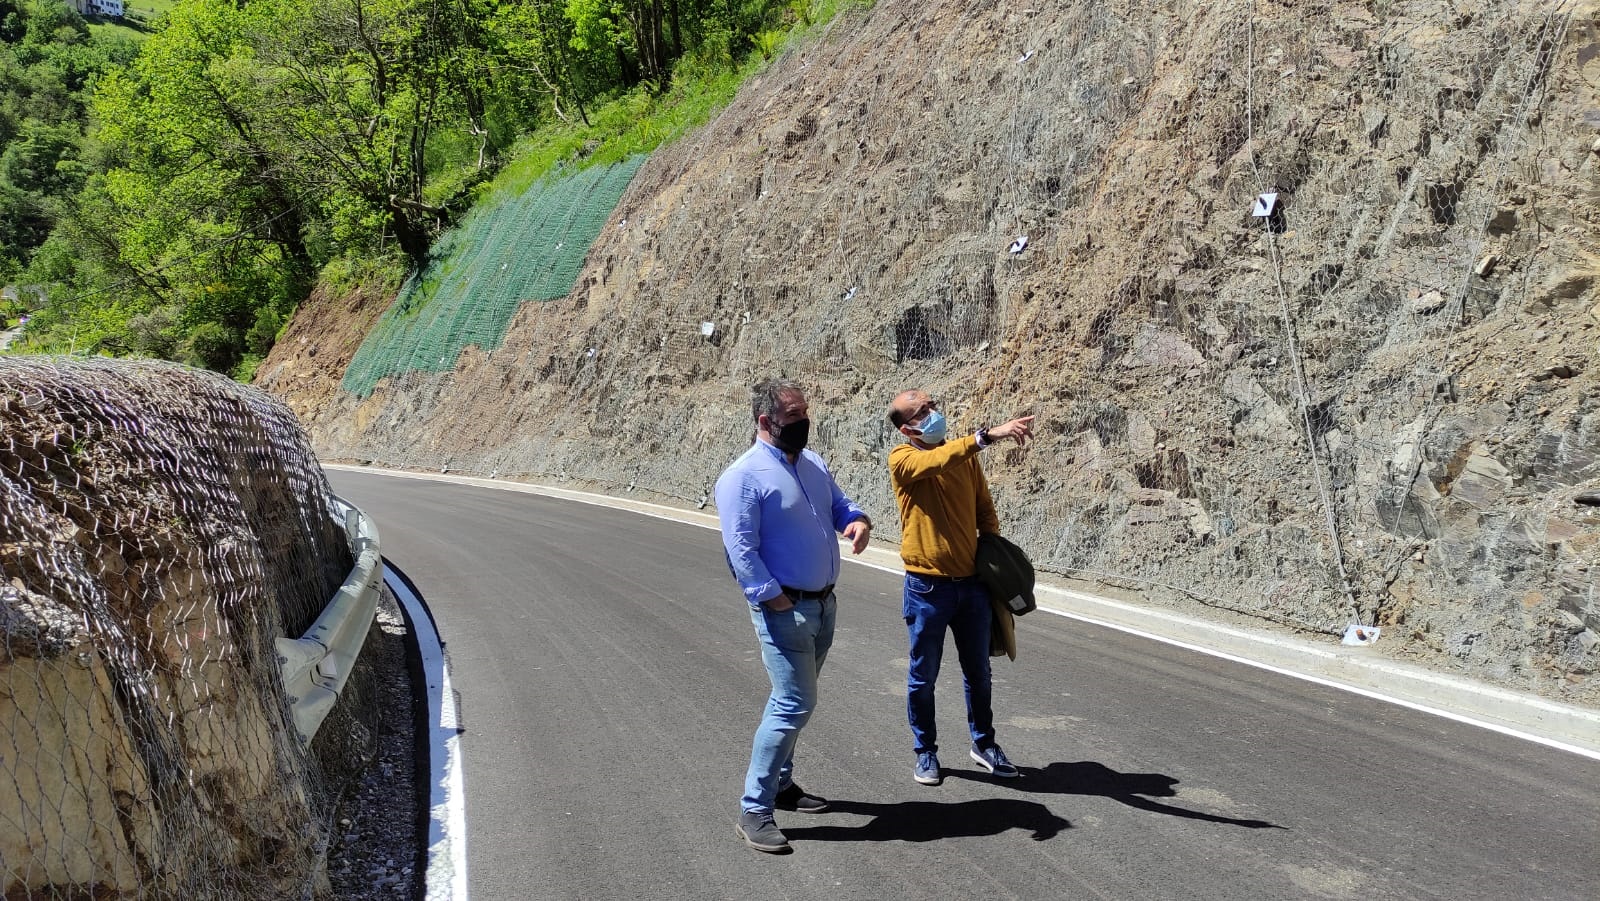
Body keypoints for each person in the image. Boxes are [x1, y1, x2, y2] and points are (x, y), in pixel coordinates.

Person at [716, 378, 873, 854]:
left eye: (806, 413)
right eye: (794, 416)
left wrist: (856, 520)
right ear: (766, 422)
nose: (805, 423)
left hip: (823, 603)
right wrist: (775, 600)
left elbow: (839, 505)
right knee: (792, 704)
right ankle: (754, 808)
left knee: (799, 701)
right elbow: (741, 551)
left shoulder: (812, 464)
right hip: (786, 609)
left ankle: (782, 786)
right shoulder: (742, 477)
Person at [886, 389, 1034, 786]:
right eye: (923, 411)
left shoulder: (963, 458)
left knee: (979, 672)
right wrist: (986, 437)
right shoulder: (903, 459)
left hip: (972, 588)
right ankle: (926, 752)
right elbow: (934, 461)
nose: (934, 413)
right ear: (907, 427)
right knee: (923, 676)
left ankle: (984, 744)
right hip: (927, 589)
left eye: (933, 405)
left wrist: (992, 557)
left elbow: (985, 510)